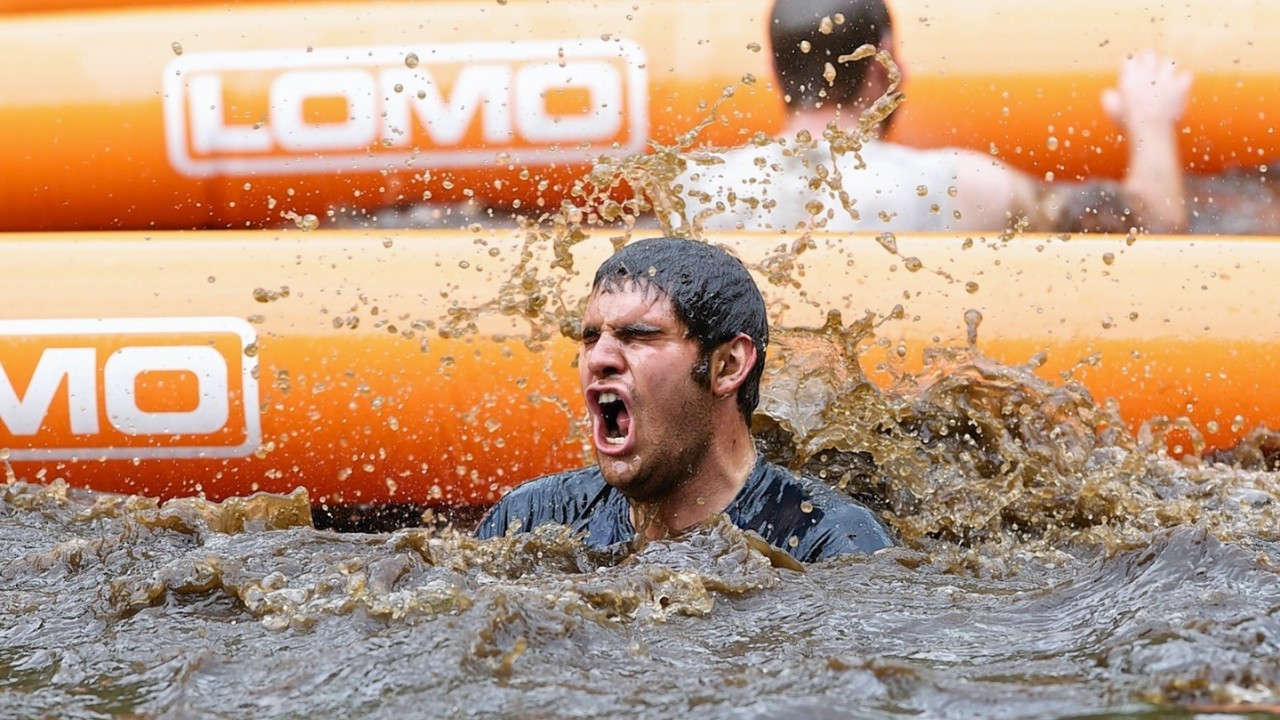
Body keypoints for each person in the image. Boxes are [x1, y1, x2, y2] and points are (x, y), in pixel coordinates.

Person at [474, 237, 894, 562]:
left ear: (727, 366)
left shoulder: (827, 541)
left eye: (638, 336)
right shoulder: (533, 519)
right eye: (590, 337)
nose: (598, 358)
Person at [675, 0, 1193, 236]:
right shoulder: (954, 186)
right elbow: (1157, 220)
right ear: (884, 64)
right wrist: (1151, 120)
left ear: (775, 70)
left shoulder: (697, 192)